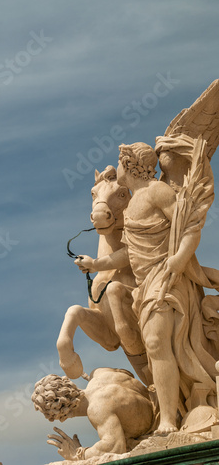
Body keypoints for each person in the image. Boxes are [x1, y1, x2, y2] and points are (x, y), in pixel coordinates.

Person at [75, 142, 218, 434]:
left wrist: (178, 260)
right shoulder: (132, 206)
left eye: (121, 162)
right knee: (156, 348)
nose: (118, 168)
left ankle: (167, 420)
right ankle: (169, 415)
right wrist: (96, 264)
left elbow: (189, 226)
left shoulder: (157, 191)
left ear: (131, 165)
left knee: (155, 343)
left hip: (167, 279)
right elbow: (130, 252)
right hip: (145, 285)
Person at [31, 368, 154, 460]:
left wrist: (78, 453)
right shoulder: (98, 373)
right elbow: (128, 374)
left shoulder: (97, 408)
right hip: (159, 403)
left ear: (59, 415)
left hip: (153, 426)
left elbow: (115, 447)